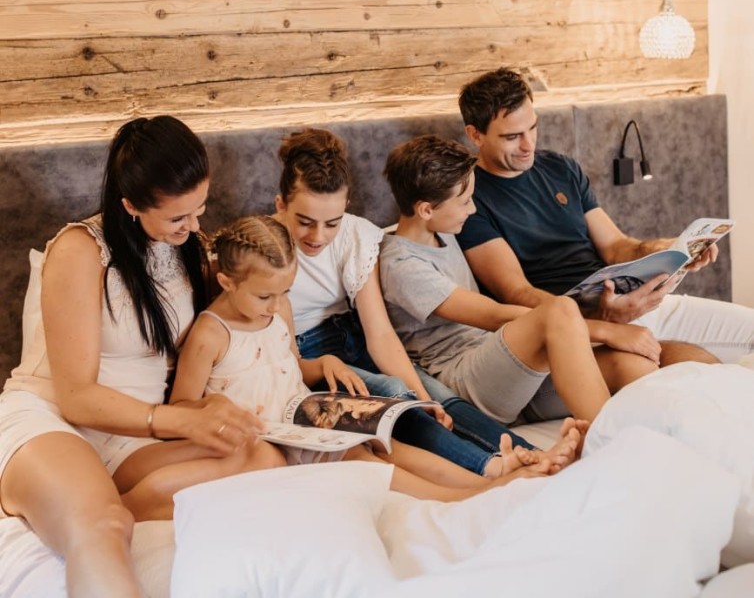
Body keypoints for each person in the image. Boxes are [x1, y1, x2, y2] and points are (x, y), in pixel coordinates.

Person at [0, 116, 285, 598]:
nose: (195, 226)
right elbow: (77, 398)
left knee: (263, 457)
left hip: (128, 437)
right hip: (55, 418)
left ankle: (91, 500)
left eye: (200, 209)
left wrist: (204, 410)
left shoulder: (185, 249)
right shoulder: (81, 250)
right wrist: (178, 421)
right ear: (130, 205)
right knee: (104, 525)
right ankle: (85, 508)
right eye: (179, 217)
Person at [170, 213, 551, 501]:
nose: (274, 305)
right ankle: (465, 497)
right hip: (262, 437)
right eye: (263, 296)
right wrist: (215, 405)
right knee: (360, 458)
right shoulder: (210, 334)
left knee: (385, 443)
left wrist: (324, 365)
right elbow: (180, 407)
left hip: (301, 414)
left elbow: (291, 366)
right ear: (226, 282)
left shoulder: (278, 309)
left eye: (284, 292)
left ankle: (490, 480)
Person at [272, 128, 582, 477]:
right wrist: (328, 366)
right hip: (310, 354)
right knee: (393, 394)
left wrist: (421, 393)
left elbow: (380, 335)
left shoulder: (357, 235)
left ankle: (530, 455)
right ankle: (490, 467)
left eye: (331, 223)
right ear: (281, 204)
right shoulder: (265, 249)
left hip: (356, 336)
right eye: (304, 222)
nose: (318, 236)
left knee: (434, 399)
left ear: (346, 206)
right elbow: (279, 354)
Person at [456, 67, 753, 366]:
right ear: (475, 135)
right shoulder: (467, 198)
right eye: (512, 136)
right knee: (700, 370)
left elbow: (616, 246)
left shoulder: (560, 168)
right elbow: (516, 292)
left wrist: (671, 248)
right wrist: (602, 319)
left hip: (634, 303)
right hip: (579, 328)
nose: (528, 145)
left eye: (532, 128)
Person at [380, 135, 662, 426]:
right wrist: (607, 330)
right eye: (465, 202)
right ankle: (611, 442)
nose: (473, 210)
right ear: (426, 210)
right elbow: (493, 314)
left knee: (631, 365)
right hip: (468, 379)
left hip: (512, 371)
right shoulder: (401, 265)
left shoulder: (443, 230)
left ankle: (678, 445)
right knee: (558, 309)